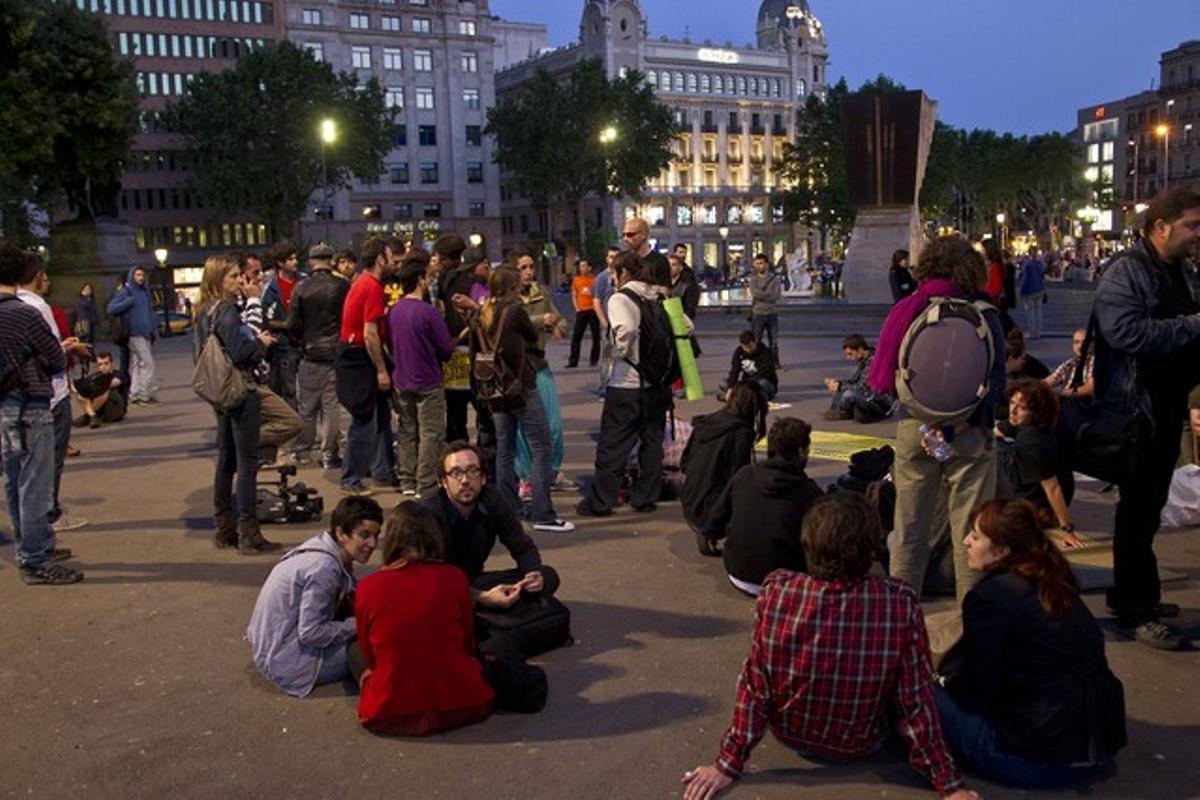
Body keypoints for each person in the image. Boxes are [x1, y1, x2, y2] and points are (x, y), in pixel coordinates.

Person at [682, 493, 976, 800]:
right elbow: (914, 700)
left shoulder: (777, 592)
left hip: (791, 733)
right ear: (870, 546)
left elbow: (756, 688)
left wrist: (728, 763)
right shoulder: (898, 602)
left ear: (808, 543)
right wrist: (949, 783)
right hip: (862, 742)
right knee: (932, 686)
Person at [935, 499, 1127, 789]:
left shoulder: (991, 597)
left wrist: (944, 682)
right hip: (1097, 747)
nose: (965, 542)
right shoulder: (1059, 586)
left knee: (918, 686)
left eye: (975, 536)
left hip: (1034, 759)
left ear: (1002, 550)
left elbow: (976, 690)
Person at [868, 236, 1006, 603]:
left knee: (910, 527)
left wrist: (925, 418)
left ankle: (900, 614)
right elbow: (996, 380)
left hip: (918, 430)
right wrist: (960, 423)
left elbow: (890, 379)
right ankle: (970, 620)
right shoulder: (984, 312)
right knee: (970, 530)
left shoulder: (910, 308)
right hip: (968, 435)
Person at [1092, 188, 1200, 650]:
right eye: (1191, 225)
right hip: (1137, 412)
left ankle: (1139, 594)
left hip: (1167, 406)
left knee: (1148, 509)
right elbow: (1127, 333)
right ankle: (1135, 609)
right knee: (1137, 511)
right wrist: (1194, 325)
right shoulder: (1125, 274)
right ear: (1161, 227)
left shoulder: (1182, 272)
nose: (1197, 234)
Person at [355, 501, 503, 735]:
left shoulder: (368, 587)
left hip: (388, 713)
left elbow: (369, 654)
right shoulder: (454, 578)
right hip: (465, 704)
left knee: (354, 651)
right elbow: (467, 642)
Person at [424, 442, 565, 654]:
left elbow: (521, 545)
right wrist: (480, 597)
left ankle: (492, 619)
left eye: (472, 471)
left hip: (473, 580)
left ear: (482, 477)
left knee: (548, 576)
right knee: (440, 607)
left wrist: (532, 573)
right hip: (441, 590)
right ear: (444, 482)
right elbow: (430, 578)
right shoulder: (430, 512)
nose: (465, 480)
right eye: (455, 473)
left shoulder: (491, 499)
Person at [577, 251, 686, 517]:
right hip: (658, 385)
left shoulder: (621, 298)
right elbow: (687, 326)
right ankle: (645, 497)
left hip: (627, 385)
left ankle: (602, 500)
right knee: (652, 443)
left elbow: (624, 331)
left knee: (613, 445)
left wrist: (618, 349)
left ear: (622, 273)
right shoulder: (660, 295)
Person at [0, 243, 82, 585]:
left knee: (14, 480)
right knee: (35, 483)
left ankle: (29, 546)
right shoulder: (25, 313)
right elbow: (58, 358)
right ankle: (36, 557)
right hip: (31, 403)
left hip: (4, 406)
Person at [246, 496, 382, 697]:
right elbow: (311, 632)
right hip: (286, 663)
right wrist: (360, 624)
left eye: (376, 535)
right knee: (376, 643)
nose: (372, 543)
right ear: (341, 533)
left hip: (271, 648)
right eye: (364, 535)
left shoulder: (322, 545)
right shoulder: (324, 568)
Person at [470, 267, 573, 532]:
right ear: (512, 288)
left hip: (494, 389)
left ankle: (510, 509)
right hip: (519, 385)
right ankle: (543, 513)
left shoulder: (481, 313)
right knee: (541, 446)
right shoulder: (514, 312)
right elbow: (530, 335)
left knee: (505, 448)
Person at [193, 253, 281, 554]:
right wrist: (261, 344)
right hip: (240, 391)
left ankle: (224, 527)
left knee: (226, 462)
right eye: (233, 277)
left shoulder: (203, 310)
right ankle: (248, 532)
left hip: (219, 392)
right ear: (219, 280)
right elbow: (242, 352)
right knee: (247, 464)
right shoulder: (227, 310)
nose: (239, 282)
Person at [701, 417, 823, 594]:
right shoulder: (809, 493)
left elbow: (716, 519)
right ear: (801, 451)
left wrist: (709, 534)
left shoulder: (745, 475)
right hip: (786, 583)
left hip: (738, 573)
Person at [18, 262, 90, 533]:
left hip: (29, 394)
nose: (48, 280)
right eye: (45, 276)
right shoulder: (38, 308)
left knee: (30, 466)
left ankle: (40, 519)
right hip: (50, 393)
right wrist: (67, 349)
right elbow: (50, 356)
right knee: (49, 461)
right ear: (36, 277)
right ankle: (49, 515)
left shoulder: (14, 305)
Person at [387, 254, 453, 497]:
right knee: (430, 433)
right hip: (428, 379)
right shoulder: (429, 312)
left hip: (401, 378)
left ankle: (406, 478)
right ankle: (424, 483)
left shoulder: (393, 312)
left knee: (406, 430)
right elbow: (445, 349)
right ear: (420, 279)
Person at [337, 237, 396, 496]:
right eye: (390, 256)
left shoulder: (361, 282)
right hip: (358, 359)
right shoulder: (371, 286)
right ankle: (351, 479)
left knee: (379, 417)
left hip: (353, 356)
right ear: (380, 259)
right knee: (364, 422)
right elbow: (370, 332)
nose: (393, 260)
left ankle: (381, 471)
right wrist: (382, 370)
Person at [512, 250, 574, 494]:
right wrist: (541, 321)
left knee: (554, 424)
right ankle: (526, 478)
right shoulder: (509, 298)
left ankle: (552, 471)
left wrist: (558, 326)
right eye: (523, 267)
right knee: (523, 428)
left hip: (539, 364)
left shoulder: (542, 293)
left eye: (530, 267)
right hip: (517, 367)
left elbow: (561, 320)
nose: (528, 272)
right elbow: (513, 322)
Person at [995, 379, 1082, 546]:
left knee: (989, 453)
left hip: (1037, 505)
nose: (1012, 410)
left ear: (1035, 412)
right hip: (1041, 489)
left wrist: (1068, 530)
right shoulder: (1026, 422)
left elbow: (1052, 487)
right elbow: (994, 433)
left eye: (1021, 407)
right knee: (989, 443)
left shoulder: (1032, 443)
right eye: (1012, 403)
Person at [287, 243, 349, 469]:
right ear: (331, 260)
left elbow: (292, 324)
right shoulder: (342, 285)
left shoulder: (301, 288)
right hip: (335, 353)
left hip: (310, 353)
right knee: (332, 407)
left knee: (308, 407)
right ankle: (329, 454)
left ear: (311, 262)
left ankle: (303, 450)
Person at [679, 383, 759, 554]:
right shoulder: (741, 432)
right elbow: (739, 475)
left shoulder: (706, 423)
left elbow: (684, 462)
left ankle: (710, 526)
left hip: (690, 498)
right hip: (710, 505)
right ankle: (719, 528)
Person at [105, 266, 159, 404]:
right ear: (132, 276)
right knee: (148, 363)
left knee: (137, 364)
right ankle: (144, 394)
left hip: (145, 333)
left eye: (142, 275)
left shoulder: (145, 292)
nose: (141, 277)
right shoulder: (127, 292)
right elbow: (111, 308)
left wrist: (153, 330)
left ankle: (135, 393)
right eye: (138, 275)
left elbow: (149, 313)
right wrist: (128, 302)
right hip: (134, 333)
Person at [261, 242, 304, 409]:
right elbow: (265, 318)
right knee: (288, 390)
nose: (295, 262)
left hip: (305, 342)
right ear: (280, 263)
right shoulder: (271, 288)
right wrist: (286, 325)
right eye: (291, 259)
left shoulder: (304, 281)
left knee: (310, 391)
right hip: (285, 346)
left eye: (295, 258)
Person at [823, 334, 895, 423]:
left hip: (879, 401)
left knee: (848, 394)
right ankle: (837, 410)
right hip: (869, 396)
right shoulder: (865, 360)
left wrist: (840, 386)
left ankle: (843, 411)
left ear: (860, 349)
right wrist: (838, 383)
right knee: (841, 389)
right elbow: (855, 381)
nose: (848, 358)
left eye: (850, 354)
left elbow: (863, 387)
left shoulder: (873, 361)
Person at [717, 330, 776, 402]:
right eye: (745, 347)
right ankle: (742, 396)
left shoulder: (765, 352)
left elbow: (762, 374)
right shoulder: (739, 352)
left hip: (763, 382)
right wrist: (730, 389)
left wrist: (743, 386)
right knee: (724, 383)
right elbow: (734, 371)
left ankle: (741, 396)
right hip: (746, 384)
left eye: (750, 347)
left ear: (755, 342)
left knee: (762, 384)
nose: (748, 350)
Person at [72, 351, 126, 428]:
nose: (103, 367)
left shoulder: (118, 374)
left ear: (112, 364)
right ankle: (93, 416)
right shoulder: (95, 376)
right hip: (100, 412)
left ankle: (88, 416)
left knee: (104, 390)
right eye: (100, 364)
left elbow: (114, 383)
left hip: (115, 410)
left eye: (106, 363)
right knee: (81, 393)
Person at [592, 246, 619, 395]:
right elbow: (596, 301)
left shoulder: (624, 275)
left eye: (616, 256)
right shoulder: (602, 278)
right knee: (607, 356)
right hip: (608, 323)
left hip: (621, 322)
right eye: (611, 256)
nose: (613, 259)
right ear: (606, 259)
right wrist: (604, 322)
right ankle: (604, 386)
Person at [749, 253, 782, 369]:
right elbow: (755, 293)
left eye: (761, 263)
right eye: (756, 264)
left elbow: (777, 296)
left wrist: (762, 295)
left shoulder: (774, 279)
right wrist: (768, 294)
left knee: (773, 342)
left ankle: (775, 363)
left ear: (767, 265)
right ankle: (756, 362)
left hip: (772, 313)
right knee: (756, 340)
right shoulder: (753, 280)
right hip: (758, 313)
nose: (759, 266)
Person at [566, 258, 600, 368]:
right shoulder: (576, 280)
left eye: (584, 266)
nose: (582, 268)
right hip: (581, 311)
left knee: (596, 336)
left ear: (589, 267)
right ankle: (573, 361)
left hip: (593, 311)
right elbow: (574, 294)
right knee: (576, 336)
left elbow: (598, 295)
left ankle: (594, 360)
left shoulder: (595, 280)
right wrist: (577, 307)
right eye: (581, 266)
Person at [1044, 327, 1094, 398]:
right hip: (1068, 403)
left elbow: (1091, 388)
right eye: (1076, 342)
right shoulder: (1069, 364)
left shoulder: (1096, 362)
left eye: (1084, 342)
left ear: (1092, 344)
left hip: (1088, 405)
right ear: (1073, 345)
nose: (1080, 346)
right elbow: (1049, 381)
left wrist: (1068, 393)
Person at [621, 216, 670, 289]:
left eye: (630, 235)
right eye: (623, 235)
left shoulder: (660, 261)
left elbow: (665, 290)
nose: (625, 239)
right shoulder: (623, 259)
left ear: (643, 235)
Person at [1018, 247, 1046, 340]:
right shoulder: (1040, 263)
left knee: (1030, 313)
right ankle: (1038, 332)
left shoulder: (1027, 264)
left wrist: (1021, 290)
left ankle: (1032, 332)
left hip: (1029, 290)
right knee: (1038, 312)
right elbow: (1042, 277)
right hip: (1040, 289)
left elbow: (1024, 279)